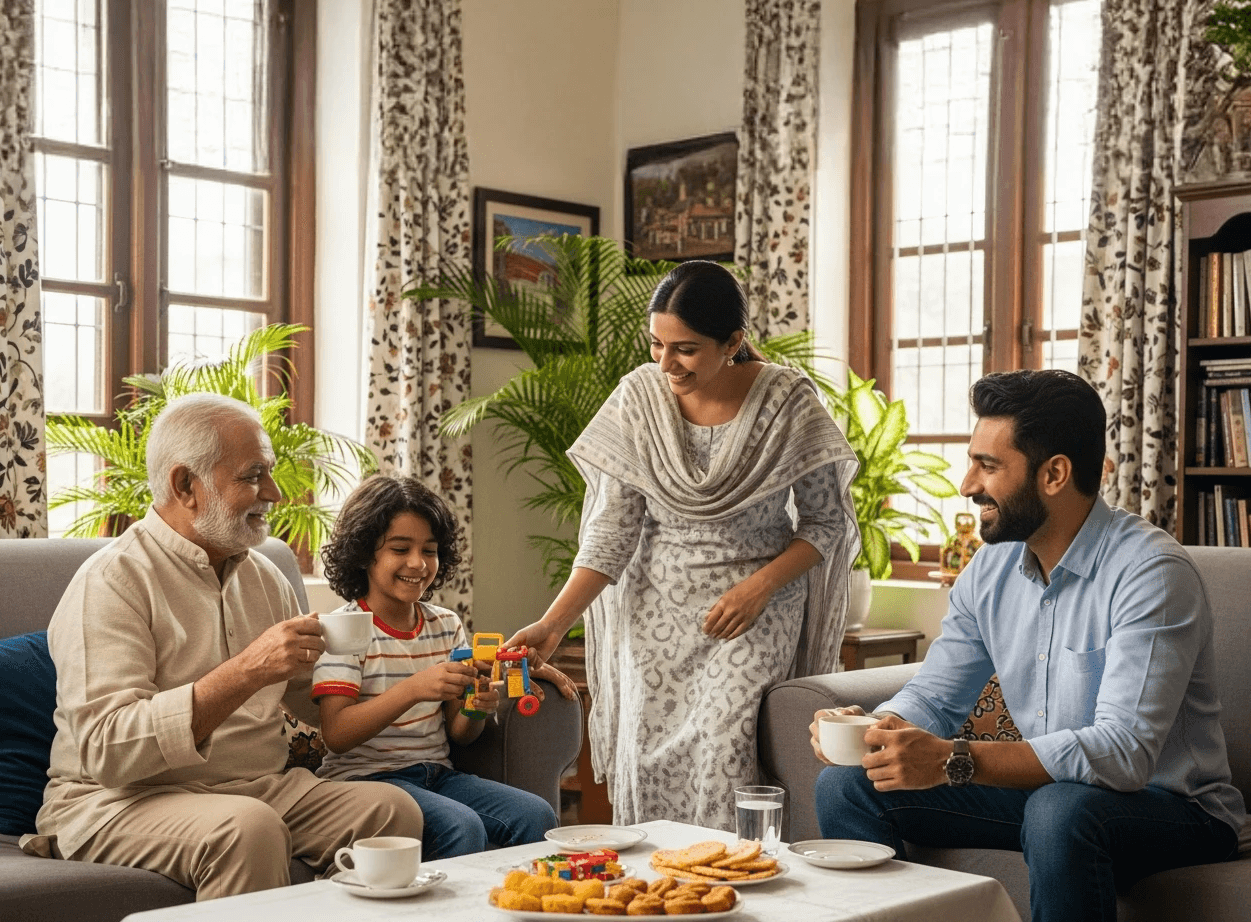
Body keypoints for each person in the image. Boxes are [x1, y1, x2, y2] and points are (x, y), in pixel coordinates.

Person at [810, 369, 1244, 922]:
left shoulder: (1150, 572)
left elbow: (1123, 754)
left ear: (1055, 474)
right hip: (1053, 799)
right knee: (848, 785)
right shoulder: (989, 569)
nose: (967, 485)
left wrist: (954, 760)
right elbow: (938, 698)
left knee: (1059, 810)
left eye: (988, 466)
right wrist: (877, 731)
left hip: (1177, 811)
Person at [507, 260, 860, 829]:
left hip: (752, 612)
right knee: (649, 765)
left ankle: (732, 891)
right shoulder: (637, 400)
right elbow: (611, 534)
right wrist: (551, 626)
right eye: (657, 344)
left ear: (733, 343)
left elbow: (825, 523)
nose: (666, 364)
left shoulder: (788, 400)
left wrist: (761, 587)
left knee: (725, 754)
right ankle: (658, 902)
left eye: (686, 349)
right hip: (653, 612)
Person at [27, 394, 423, 899]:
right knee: (248, 828)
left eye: (270, 473)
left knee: (391, 810)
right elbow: (108, 750)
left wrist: (432, 682)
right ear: (184, 485)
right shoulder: (111, 582)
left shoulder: (264, 576)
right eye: (253, 475)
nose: (275, 493)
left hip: (254, 788)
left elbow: (316, 698)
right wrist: (247, 671)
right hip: (119, 799)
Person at [313, 474, 578, 858]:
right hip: (365, 782)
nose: (418, 563)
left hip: (437, 774)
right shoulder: (345, 629)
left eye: (430, 550)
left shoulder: (445, 624)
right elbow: (336, 733)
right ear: (364, 553)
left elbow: (461, 734)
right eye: (400, 549)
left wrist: (475, 706)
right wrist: (414, 688)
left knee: (536, 814)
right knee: (461, 825)